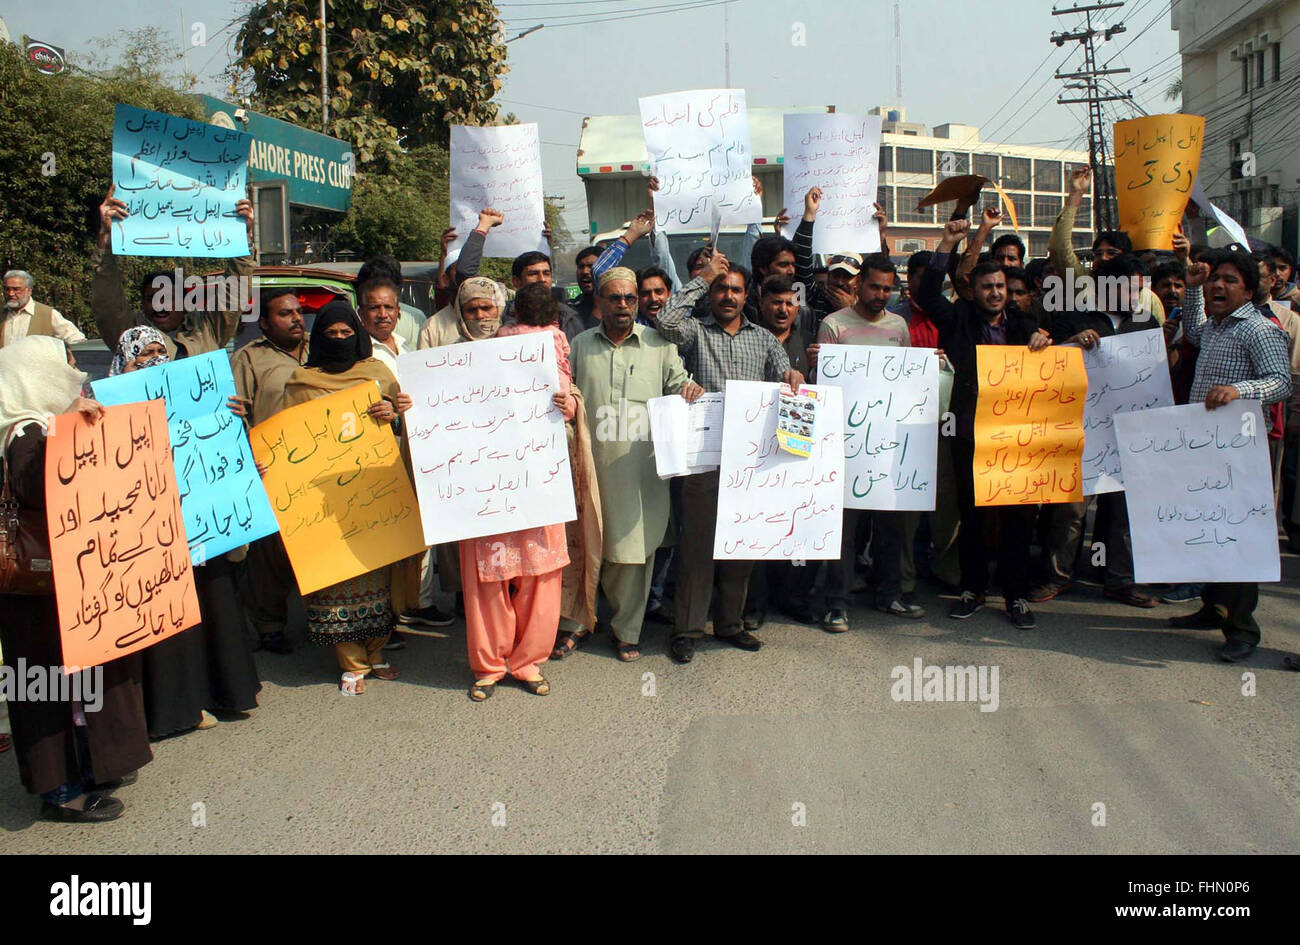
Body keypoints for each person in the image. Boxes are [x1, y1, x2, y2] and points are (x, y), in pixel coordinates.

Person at [0, 336, 152, 822]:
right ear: (35, 376)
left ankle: (90, 765)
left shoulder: (38, 426)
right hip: (37, 589)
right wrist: (71, 431)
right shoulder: (23, 433)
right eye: (61, 368)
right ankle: (60, 791)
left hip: (64, 580)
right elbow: (40, 487)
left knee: (81, 678)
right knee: (44, 687)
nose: (72, 376)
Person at [106, 327, 264, 738]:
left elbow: (218, 450)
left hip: (203, 528)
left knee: (213, 605)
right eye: (143, 355)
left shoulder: (199, 399)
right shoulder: (108, 406)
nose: (155, 360)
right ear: (125, 359)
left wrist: (231, 425)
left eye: (162, 352)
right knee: (167, 621)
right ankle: (176, 708)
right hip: (150, 533)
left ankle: (224, 693)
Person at [655, 250, 804, 663]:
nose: (728, 295)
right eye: (721, 288)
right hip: (704, 459)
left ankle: (730, 624)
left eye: (735, 289)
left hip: (752, 463)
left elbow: (784, 378)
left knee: (742, 546)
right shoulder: (694, 333)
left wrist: (792, 376)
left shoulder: (762, 338)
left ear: (746, 295)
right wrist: (702, 278)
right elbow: (664, 321)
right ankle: (687, 629)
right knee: (698, 548)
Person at [919, 219, 1050, 630]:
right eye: (987, 287)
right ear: (973, 292)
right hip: (970, 435)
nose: (995, 293)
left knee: (1016, 519)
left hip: (1016, 441)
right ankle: (973, 590)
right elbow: (925, 292)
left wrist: (1043, 343)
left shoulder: (1024, 327)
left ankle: (1015, 596)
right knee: (972, 515)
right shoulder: (958, 319)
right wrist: (947, 244)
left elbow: (1049, 360)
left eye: (1000, 287)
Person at [570, 268, 701, 661]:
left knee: (633, 551)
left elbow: (677, 381)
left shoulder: (658, 344)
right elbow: (564, 392)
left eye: (630, 298)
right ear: (601, 302)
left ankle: (627, 631)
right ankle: (575, 624)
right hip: (590, 466)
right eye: (615, 298)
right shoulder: (579, 345)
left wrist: (688, 388)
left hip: (640, 469)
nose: (624, 305)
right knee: (585, 544)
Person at [1167, 250, 1291, 662]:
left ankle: (1242, 629)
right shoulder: (1217, 327)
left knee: (1237, 537)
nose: (1218, 285)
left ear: (1250, 291)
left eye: (1229, 280)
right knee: (1208, 530)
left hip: (1239, 450)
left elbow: (1280, 382)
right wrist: (1192, 285)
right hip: (1206, 446)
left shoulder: (1260, 330)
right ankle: (1213, 608)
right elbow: (1194, 329)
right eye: (1214, 279)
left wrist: (1241, 390)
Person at [283, 301, 414, 691]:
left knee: (379, 572)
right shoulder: (301, 382)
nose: (339, 340)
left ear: (357, 335)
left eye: (345, 333)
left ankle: (376, 652)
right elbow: (287, 440)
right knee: (338, 577)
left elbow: (404, 419)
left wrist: (394, 412)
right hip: (325, 501)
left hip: (374, 492)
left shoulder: (376, 373)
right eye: (330, 334)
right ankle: (351, 661)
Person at [455, 286, 576, 701]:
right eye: (472, 308)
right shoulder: (463, 354)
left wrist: (568, 404)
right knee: (490, 576)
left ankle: (524, 663)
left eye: (486, 307)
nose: (480, 315)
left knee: (537, 575)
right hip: (490, 476)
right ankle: (492, 665)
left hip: (538, 476)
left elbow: (570, 392)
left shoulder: (553, 343)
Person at [1031, 254, 1163, 608]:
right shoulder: (1073, 317)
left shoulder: (1146, 322)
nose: (1135, 297)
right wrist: (1072, 341)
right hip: (1082, 428)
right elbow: (1050, 364)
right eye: (1129, 288)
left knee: (1124, 512)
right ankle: (1056, 577)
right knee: (1070, 511)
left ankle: (1120, 581)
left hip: (1130, 431)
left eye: (1140, 289)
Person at [810, 253, 923, 629]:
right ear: (859, 285)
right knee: (845, 529)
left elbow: (907, 382)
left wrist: (929, 367)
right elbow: (821, 383)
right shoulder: (833, 325)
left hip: (888, 443)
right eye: (875, 286)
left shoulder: (898, 327)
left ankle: (889, 596)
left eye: (888, 288)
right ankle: (837, 603)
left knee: (891, 526)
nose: (881, 294)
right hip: (845, 443)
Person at [231, 287, 309, 654]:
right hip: (271, 470)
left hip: (319, 465)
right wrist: (248, 459)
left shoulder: (321, 348)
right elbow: (236, 415)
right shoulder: (249, 359)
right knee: (269, 554)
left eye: (297, 311)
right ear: (264, 322)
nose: (295, 318)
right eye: (284, 313)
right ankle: (269, 625)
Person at [91, 186, 255, 359]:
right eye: (151, 298)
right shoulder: (129, 334)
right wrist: (106, 237)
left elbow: (235, 291)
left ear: (185, 302)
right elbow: (107, 301)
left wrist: (243, 237)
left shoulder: (208, 330)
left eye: (168, 298)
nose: (159, 305)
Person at [454, 208, 585, 339]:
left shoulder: (568, 317)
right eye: (533, 274)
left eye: (546, 273)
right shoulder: (502, 315)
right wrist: (484, 225)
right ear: (516, 281)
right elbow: (466, 273)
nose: (542, 279)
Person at [1, 270, 86, 347]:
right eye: (7, 289)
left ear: (29, 291)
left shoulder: (47, 314)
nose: (11, 293)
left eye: (16, 289)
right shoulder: (2, 314)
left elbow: (76, 340)